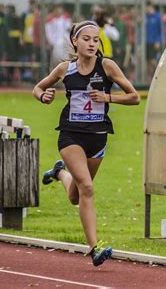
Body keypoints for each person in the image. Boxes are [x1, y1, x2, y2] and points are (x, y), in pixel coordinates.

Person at [32, 20, 140, 266]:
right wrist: (43, 96)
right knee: (88, 189)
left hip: (98, 137)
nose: (92, 44)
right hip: (71, 135)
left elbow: (134, 97)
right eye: (87, 39)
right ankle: (95, 248)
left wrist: (107, 97)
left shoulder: (108, 66)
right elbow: (38, 88)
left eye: (95, 39)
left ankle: (60, 173)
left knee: (75, 196)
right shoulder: (64, 69)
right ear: (75, 42)